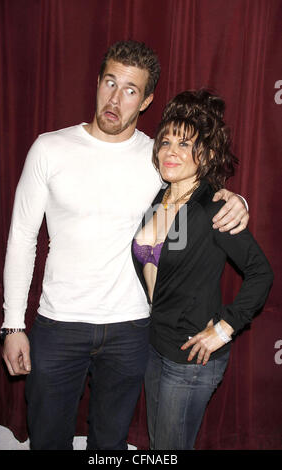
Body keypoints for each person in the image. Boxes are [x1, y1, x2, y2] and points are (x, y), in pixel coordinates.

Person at [1, 41, 249, 450]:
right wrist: (13, 324)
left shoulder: (157, 158)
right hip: (59, 324)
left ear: (147, 100)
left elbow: (205, 193)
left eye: (131, 90)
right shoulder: (49, 148)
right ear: (97, 83)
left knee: (110, 446)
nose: (116, 98)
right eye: (110, 83)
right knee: (47, 440)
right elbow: (22, 238)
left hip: (131, 329)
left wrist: (240, 201)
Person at [132, 89, 274, 450]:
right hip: (153, 347)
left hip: (191, 358)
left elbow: (261, 272)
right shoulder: (157, 198)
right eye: (165, 141)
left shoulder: (214, 208)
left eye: (185, 144)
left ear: (207, 154)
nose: (171, 151)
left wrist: (224, 329)